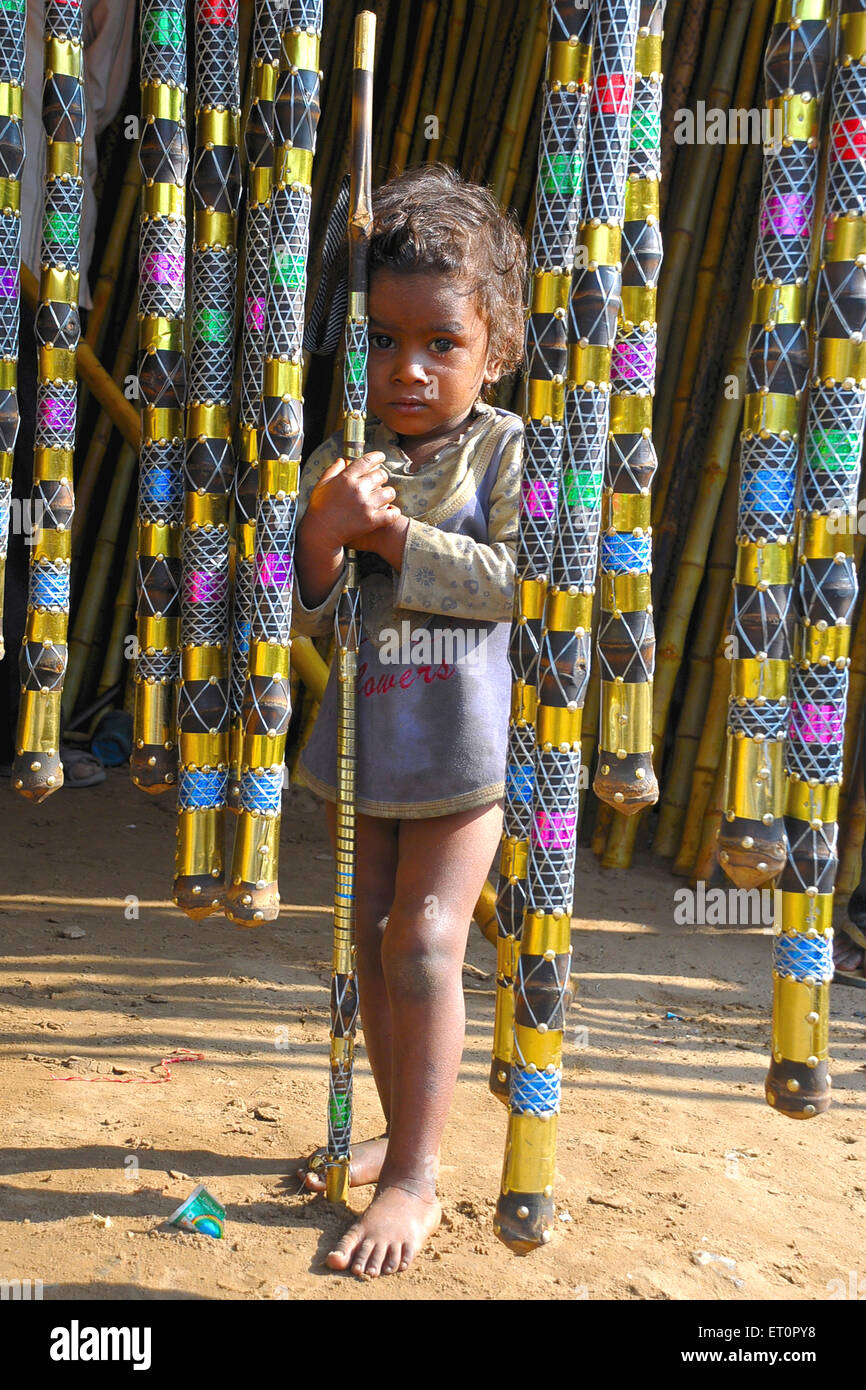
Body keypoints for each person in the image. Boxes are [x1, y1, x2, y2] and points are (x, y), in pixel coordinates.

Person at [291, 165, 526, 1278]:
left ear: (495, 348)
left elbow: (518, 584)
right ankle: (400, 1131)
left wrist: (390, 544)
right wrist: (325, 535)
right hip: (365, 746)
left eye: (439, 343)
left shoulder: (507, 450)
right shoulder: (347, 457)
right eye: (382, 341)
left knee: (427, 945)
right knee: (377, 948)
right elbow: (316, 611)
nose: (409, 369)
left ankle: (414, 1179)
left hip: (464, 757)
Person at [0, 0, 135, 783]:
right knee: (26, 517)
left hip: (42, 275)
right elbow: (99, 97)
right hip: (43, 276)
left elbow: (97, 101)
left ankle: (24, 730)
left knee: (28, 515)